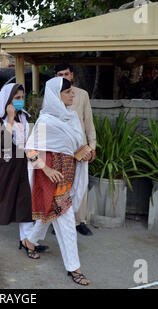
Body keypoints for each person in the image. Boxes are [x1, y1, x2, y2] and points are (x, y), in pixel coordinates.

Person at [24, 77, 91, 286]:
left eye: (72, 91)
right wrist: (46, 168)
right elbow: (30, 149)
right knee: (66, 220)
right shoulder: (46, 121)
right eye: (68, 92)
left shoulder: (70, 117)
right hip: (52, 178)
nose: (73, 95)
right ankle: (74, 268)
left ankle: (30, 241)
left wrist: (85, 154)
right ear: (56, 96)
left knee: (51, 215)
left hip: (70, 175)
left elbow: (76, 147)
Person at [0, 84, 41, 249]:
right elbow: (3, 142)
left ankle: (26, 238)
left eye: (22, 97)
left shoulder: (24, 117)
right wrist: (11, 119)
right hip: (1, 164)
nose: (20, 101)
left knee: (23, 198)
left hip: (20, 163)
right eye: (17, 98)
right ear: (8, 100)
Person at [54, 63, 96, 236]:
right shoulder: (52, 96)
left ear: (72, 75)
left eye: (66, 74)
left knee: (80, 185)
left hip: (80, 148)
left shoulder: (82, 95)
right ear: (55, 77)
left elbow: (88, 122)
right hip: (60, 149)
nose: (64, 77)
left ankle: (79, 222)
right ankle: (58, 221)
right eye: (60, 74)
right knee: (61, 185)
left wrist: (92, 147)